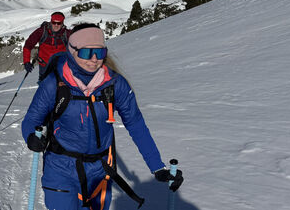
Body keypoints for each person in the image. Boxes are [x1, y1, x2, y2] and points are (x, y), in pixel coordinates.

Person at [21, 23, 183, 210]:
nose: (94, 60)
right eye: (86, 53)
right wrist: (31, 137)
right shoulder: (53, 84)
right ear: (72, 52)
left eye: (99, 52)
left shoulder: (115, 84)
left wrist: (157, 166)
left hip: (101, 170)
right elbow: (32, 120)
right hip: (61, 169)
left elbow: (136, 124)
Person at [23, 12, 70, 76]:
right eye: (54, 22)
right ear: (51, 21)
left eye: (59, 23)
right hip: (44, 65)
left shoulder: (66, 34)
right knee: (44, 84)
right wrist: (26, 62)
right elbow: (28, 45)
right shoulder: (42, 31)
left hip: (61, 66)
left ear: (62, 23)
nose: (56, 25)